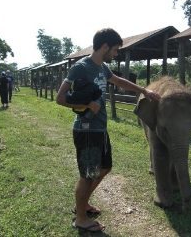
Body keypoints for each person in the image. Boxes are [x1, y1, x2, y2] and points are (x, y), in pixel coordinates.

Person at [56, 28, 160, 232]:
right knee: (88, 174)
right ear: (104, 47)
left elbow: (118, 81)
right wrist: (86, 106)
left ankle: (82, 204)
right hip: (86, 130)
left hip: (99, 129)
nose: (116, 54)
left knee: (104, 168)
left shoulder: (102, 68)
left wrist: (143, 90)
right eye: (114, 50)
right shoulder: (81, 67)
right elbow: (60, 98)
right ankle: (80, 218)